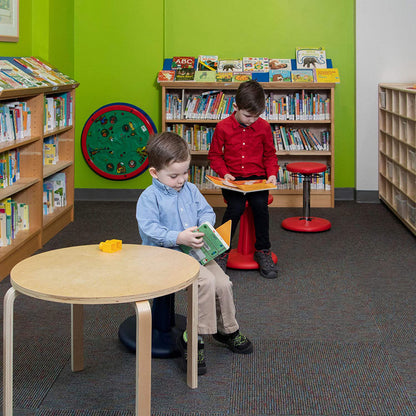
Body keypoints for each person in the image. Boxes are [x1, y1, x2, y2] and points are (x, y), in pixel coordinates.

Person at [136, 132, 253, 376]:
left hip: (194, 252)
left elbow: (207, 211)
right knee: (206, 282)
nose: (181, 180)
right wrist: (178, 237)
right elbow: (149, 229)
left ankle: (227, 328)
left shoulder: (189, 190)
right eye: (174, 176)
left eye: (185, 173)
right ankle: (193, 337)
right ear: (154, 173)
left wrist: (204, 226)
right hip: (164, 256)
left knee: (223, 282)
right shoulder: (149, 197)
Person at [208, 80, 279, 279]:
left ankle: (263, 250)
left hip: (257, 180)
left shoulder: (264, 127)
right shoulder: (223, 127)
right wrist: (224, 173)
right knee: (235, 208)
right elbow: (214, 155)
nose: (251, 121)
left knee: (260, 206)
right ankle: (222, 251)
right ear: (236, 107)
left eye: (256, 116)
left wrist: (272, 173)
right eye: (248, 115)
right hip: (233, 179)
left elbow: (270, 155)